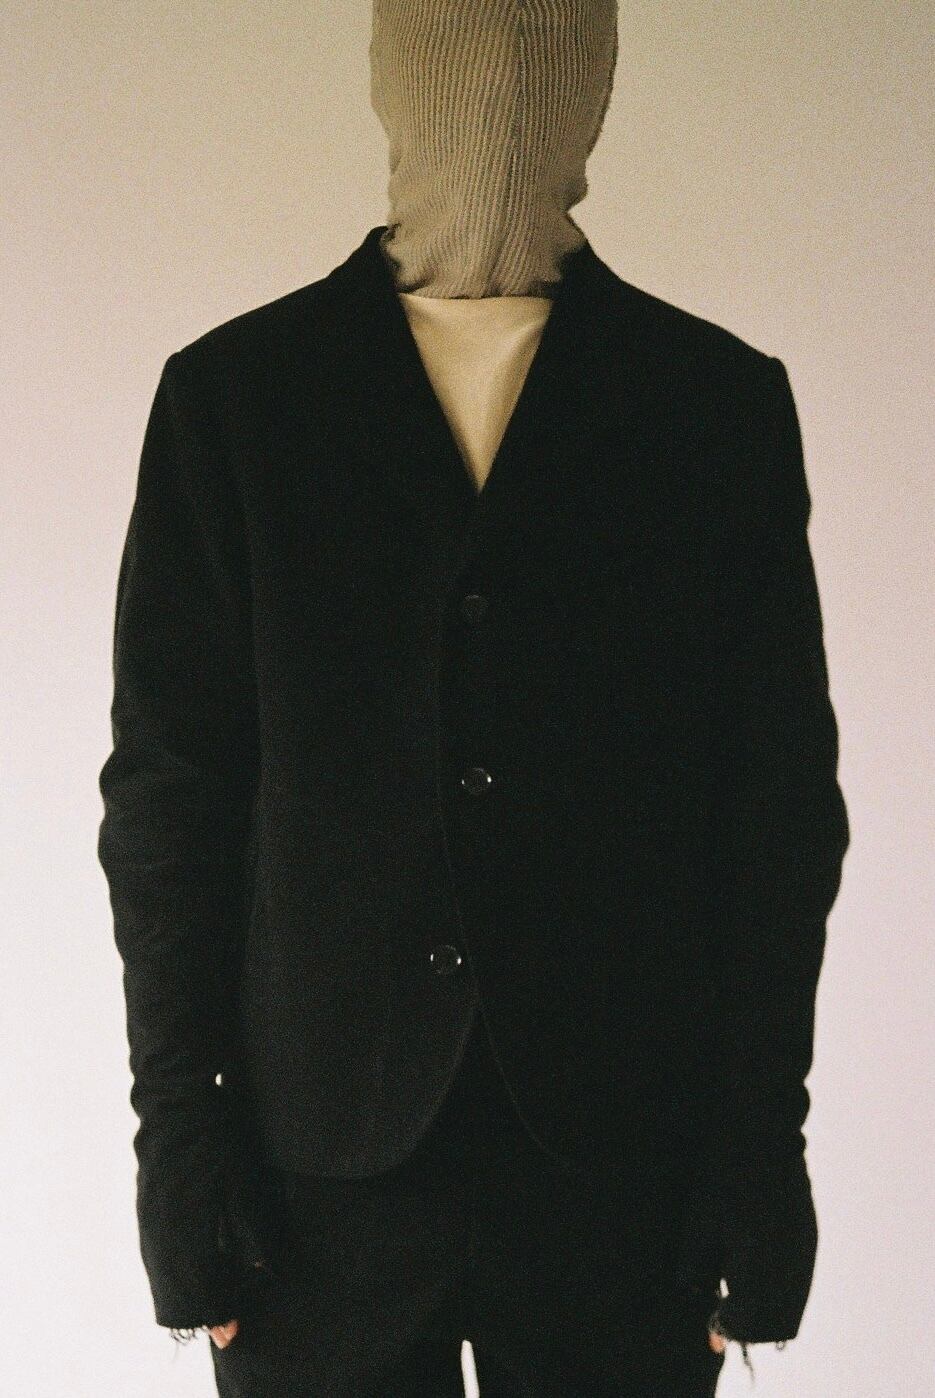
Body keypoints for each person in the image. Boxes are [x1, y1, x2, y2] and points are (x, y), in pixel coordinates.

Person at [97, 2, 850, 1394]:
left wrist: (760, 1168)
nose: (500, 85)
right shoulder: (239, 403)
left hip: (624, 1173)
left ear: (597, 81)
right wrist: (181, 1161)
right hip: (312, 1181)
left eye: (548, 41)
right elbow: (169, 810)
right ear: (392, 72)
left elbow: (777, 821)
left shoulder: (711, 408)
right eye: (456, 38)